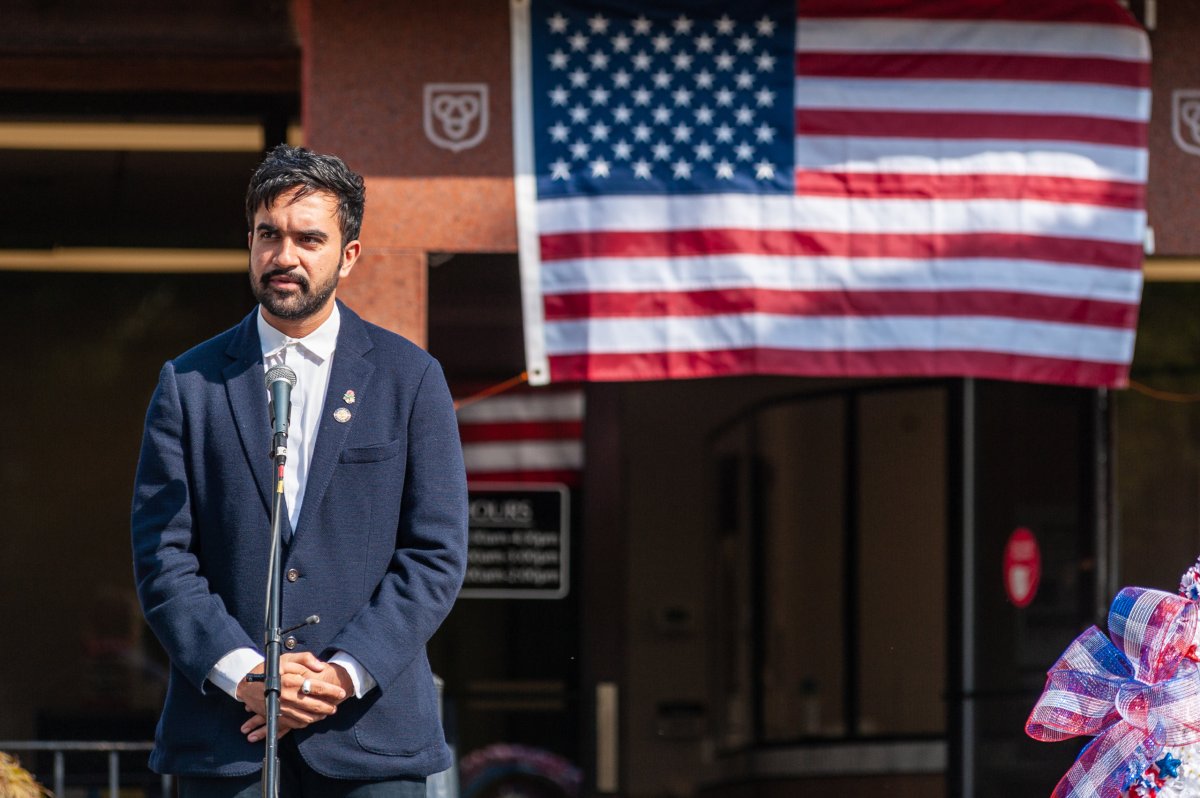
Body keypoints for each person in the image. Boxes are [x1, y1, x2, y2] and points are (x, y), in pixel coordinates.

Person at [131, 144, 468, 797]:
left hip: (371, 742)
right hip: (228, 741)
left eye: (308, 238)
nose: (284, 256)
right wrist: (245, 674)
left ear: (348, 256)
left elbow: (434, 554)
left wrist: (340, 675)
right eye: (269, 235)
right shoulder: (190, 383)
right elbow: (161, 557)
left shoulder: (410, 380)